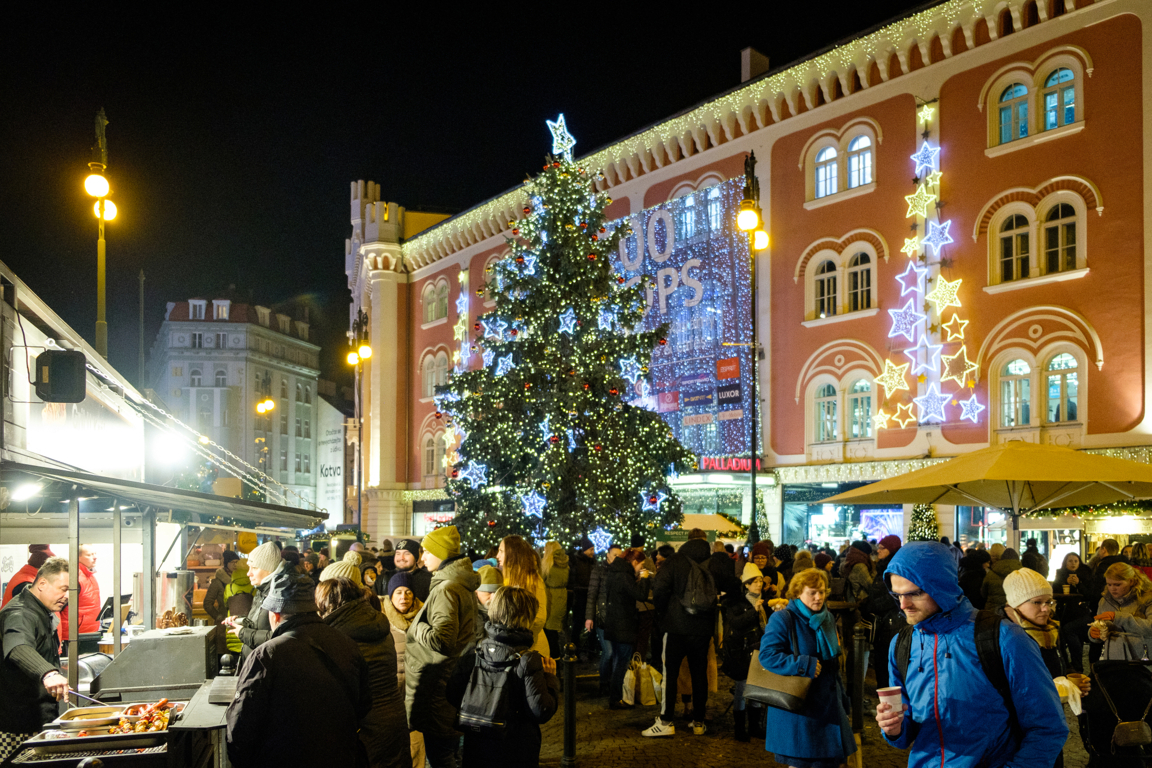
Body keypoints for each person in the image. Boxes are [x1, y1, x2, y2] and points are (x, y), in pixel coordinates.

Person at [875, 542, 1066, 767]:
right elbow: (906, 732)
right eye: (897, 595)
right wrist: (894, 728)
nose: (903, 605)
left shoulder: (1004, 638)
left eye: (914, 593)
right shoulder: (902, 644)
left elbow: (1048, 727)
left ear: (941, 586)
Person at [226, 569, 372, 768]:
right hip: (340, 758)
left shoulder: (266, 656)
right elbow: (364, 705)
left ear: (275, 614)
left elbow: (241, 727)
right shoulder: (346, 643)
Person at [449, 586, 559, 768]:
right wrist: (550, 679)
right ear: (527, 617)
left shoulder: (475, 652)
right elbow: (541, 710)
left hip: (476, 745)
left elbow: (452, 693)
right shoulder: (527, 660)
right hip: (515, 749)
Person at [758, 567, 855, 767]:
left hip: (828, 710)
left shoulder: (827, 619)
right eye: (812, 593)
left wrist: (844, 702)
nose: (818, 597)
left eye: (822, 591)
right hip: (800, 712)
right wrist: (803, 664)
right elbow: (767, 656)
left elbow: (832, 666)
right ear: (798, 593)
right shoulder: (784, 619)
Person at [404, 526, 478, 768]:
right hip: (446, 682)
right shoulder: (456, 584)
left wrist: (416, 627)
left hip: (438, 687)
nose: (422, 558)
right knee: (445, 754)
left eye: (426, 552)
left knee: (440, 757)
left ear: (441, 553)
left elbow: (442, 640)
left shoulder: (447, 588)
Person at [1003, 566, 1089, 768]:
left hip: (1050, 724)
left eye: (1049, 602)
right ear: (1015, 603)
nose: (1046, 608)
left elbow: (1059, 668)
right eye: (1037, 602)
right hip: (1018, 728)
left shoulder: (1051, 629)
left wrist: (1072, 681)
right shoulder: (1006, 637)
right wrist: (1047, 691)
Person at [317, 576, 408, 768]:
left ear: (328, 603)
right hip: (393, 718)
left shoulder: (339, 636)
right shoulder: (377, 623)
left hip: (365, 726)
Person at [643, 534, 714, 737]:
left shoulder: (675, 561)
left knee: (670, 675)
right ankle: (699, 721)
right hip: (702, 629)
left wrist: (664, 612)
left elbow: (660, 588)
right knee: (700, 675)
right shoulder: (711, 561)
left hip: (676, 627)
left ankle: (666, 720)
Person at [0, 557, 70, 762]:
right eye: (63, 589)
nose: (66, 596)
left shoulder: (41, 610)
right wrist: (48, 673)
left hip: (40, 718)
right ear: (42, 584)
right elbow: (18, 647)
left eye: (70, 591)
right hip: (18, 725)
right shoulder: (20, 613)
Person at [599, 545, 651, 708]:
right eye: (640, 565)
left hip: (614, 623)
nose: (641, 568)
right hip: (623, 625)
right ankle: (615, 698)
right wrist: (645, 578)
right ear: (634, 561)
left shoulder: (614, 573)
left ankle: (615, 696)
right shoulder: (624, 576)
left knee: (617, 660)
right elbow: (640, 595)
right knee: (622, 662)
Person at [383, 571, 426, 768]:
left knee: (416, 746)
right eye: (398, 592)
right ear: (390, 595)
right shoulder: (382, 620)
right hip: (390, 693)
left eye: (408, 592)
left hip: (416, 693)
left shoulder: (424, 617)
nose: (404, 597)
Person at [722, 563, 767, 742]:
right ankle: (739, 729)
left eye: (760, 581)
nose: (758, 584)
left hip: (759, 650)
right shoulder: (736, 603)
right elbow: (736, 623)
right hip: (742, 652)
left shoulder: (765, 601)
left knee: (756, 689)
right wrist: (754, 612)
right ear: (746, 584)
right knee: (741, 688)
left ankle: (755, 727)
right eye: (754, 581)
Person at [222, 540, 288, 659]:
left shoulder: (280, 594)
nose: (249, 573)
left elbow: (281, 637)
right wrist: (242, 621)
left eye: (255, 568)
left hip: (267, 664)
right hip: (257, 660)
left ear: (269, 569)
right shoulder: (261, 590)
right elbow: (260, 624)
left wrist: (243, 633)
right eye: (249, 568)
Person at [59, 544, 100, 646]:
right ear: (77, 557)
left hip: (87, 634)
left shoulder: (89, 575)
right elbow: (59, 605)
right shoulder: (74, 577)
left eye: (95, 554)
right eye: (89, 555)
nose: (95, 557)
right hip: (73, 637)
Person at [540, 541, 569, 658]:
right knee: (555, 632)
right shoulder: (565, 563)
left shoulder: (548, 564)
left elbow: (541, 579)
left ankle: (553, 663)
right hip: (561, 598)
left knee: (549, 634)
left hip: (550, 599)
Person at [567, 536, 595, 651]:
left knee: (591, 624)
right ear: (585, 550)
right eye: (590, 549)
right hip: (579, 596)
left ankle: (590, 648)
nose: (592, 552)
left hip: (590, 596)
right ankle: (575, 648)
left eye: (593, 549)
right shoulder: (577, 561)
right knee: (577, 624)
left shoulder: (593, 562)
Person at [222, 562, 256, 657]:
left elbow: (226, 604)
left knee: (232, 661)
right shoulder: (254, 587)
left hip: (232, 626)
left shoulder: (229, 588)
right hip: (250, 629)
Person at [980, 546, 1022, 614]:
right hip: (1014, 612)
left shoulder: (991, 573)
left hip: (993, 611)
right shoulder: (1023, 574)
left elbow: (983, 593)